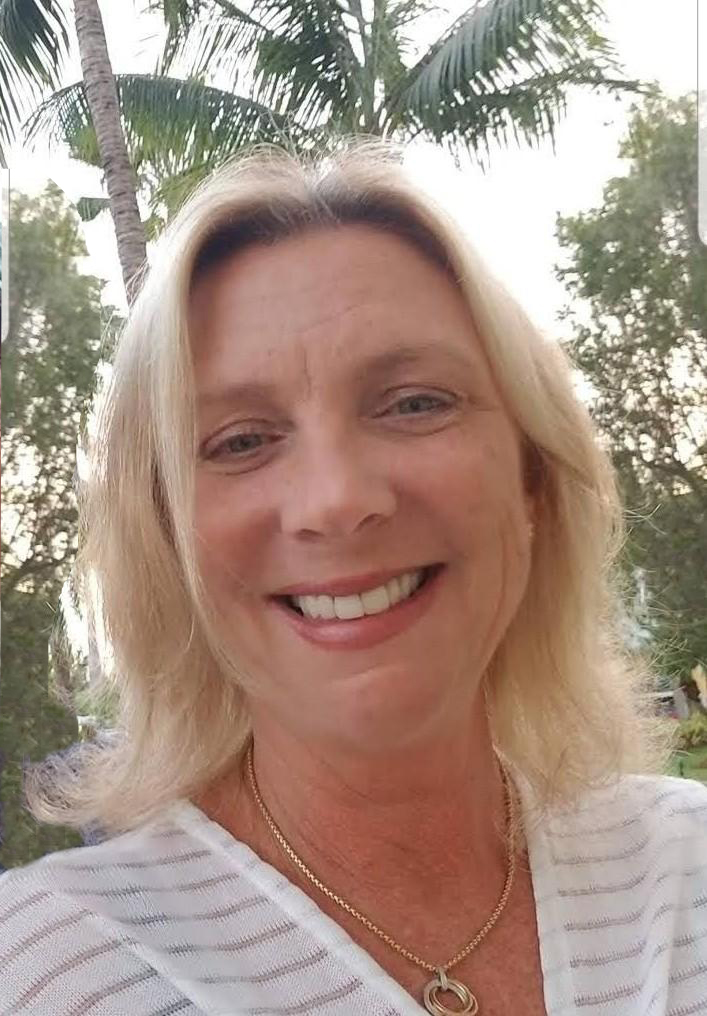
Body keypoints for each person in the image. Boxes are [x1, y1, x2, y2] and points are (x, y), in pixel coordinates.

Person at [0, 142, 705, 1016]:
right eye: (240, 441)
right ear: (167, 541)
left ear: (530, 478)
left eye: (414, 403)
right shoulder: (47, 973)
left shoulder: (689, 869)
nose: (336, 502)